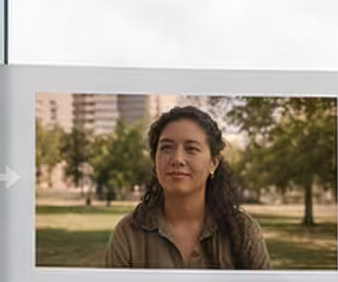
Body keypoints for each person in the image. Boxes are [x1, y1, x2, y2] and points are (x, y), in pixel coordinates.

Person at [102, 105, 272, 270]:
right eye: (167, 148)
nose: (177, 159)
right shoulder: (128, 233)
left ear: (213, 163)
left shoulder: (242, 231)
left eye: (191, 149)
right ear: (154, 159)